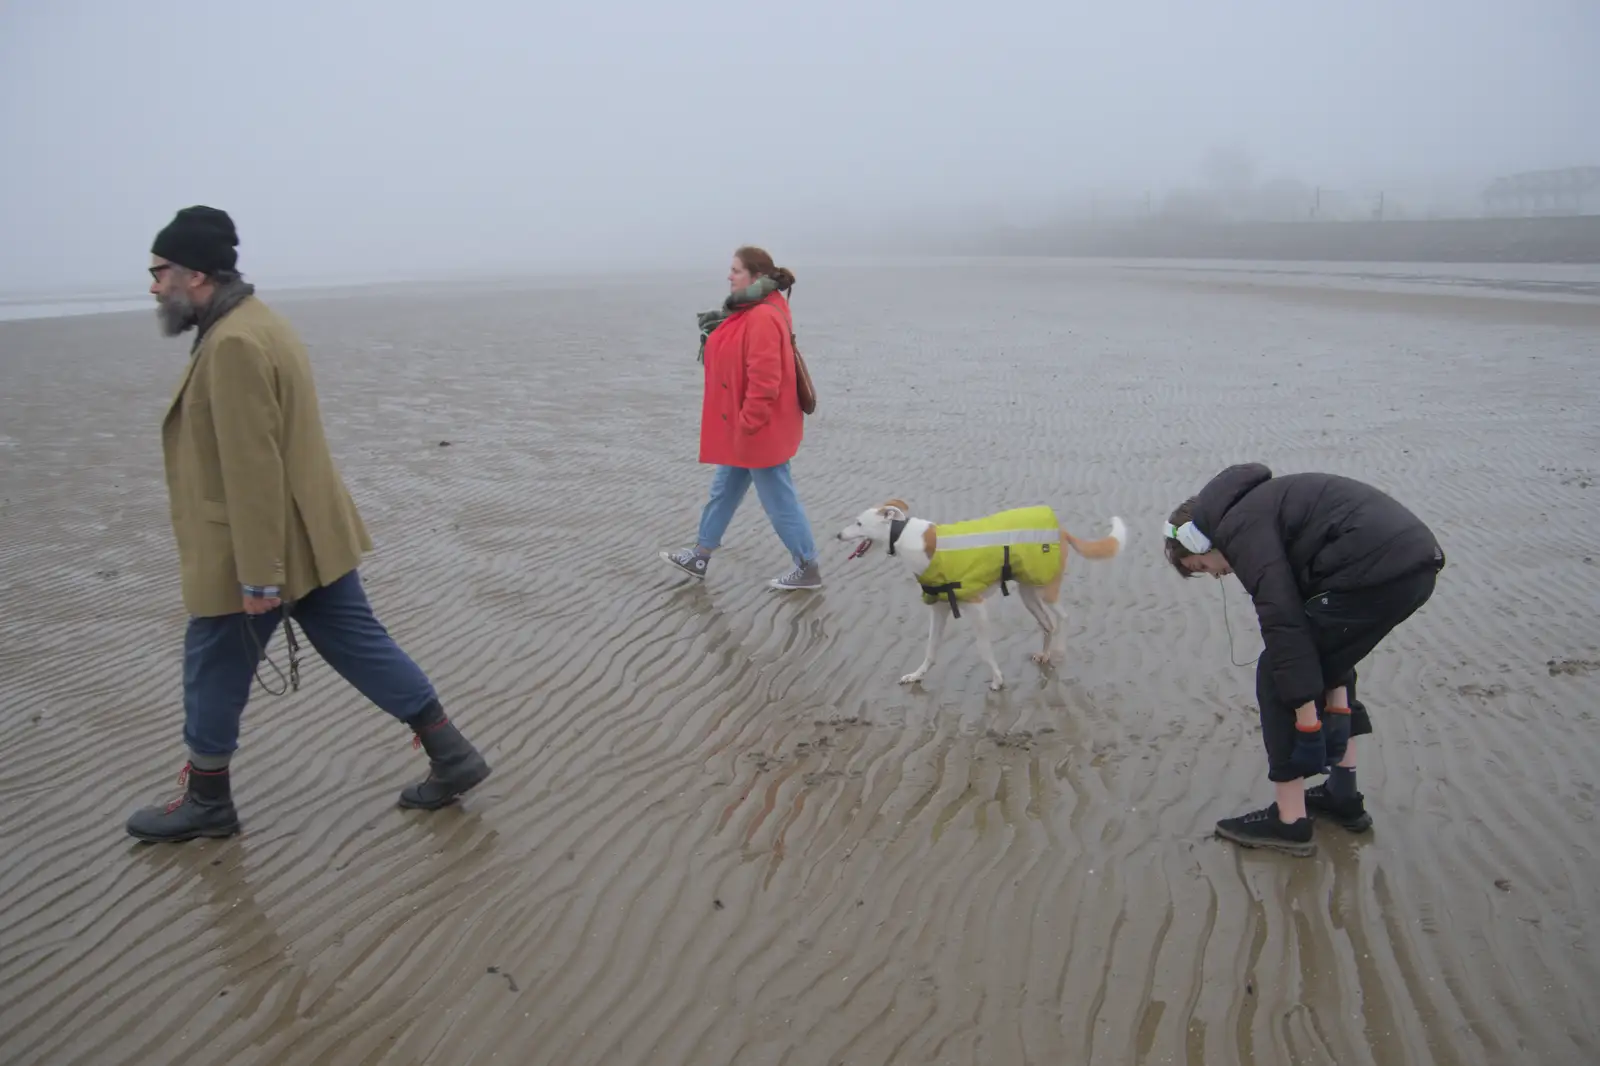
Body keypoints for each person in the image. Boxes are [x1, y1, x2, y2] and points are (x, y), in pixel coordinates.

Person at [125, 205, 491, 844]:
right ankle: (451, 754)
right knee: (362, 645)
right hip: (313, 536)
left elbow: (252, 467)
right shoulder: (257, 320)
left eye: (159, 271)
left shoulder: (235, 341)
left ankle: (208, 799)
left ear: (196, 274)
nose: (154, 285)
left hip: (259, 547)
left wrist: (260, 577)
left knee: (211, 663)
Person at [1163, 462, 1445, 857]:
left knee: (1277, 672)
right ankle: (1342, 796)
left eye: (1201, 567)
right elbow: (1314, 629)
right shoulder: (1261, 507)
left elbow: (1282, 622)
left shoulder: (1240, 529)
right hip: (1412, 563)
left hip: (1381, 570)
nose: (1215, 575)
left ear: (1200, 542)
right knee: (1323, 650)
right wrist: (1333, 706)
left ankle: (1290, 821)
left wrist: (1307, 725)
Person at [660, 246, 821, 590]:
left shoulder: (763, 315)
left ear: (756, 277)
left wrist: (748, 424)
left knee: (778, 499)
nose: (729, 276)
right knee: (723, 490)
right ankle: (701, 554)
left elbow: (765, 381)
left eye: (735, 270)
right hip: (744, 428)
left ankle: (807, 566)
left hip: (757, 429)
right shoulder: (751, 308)